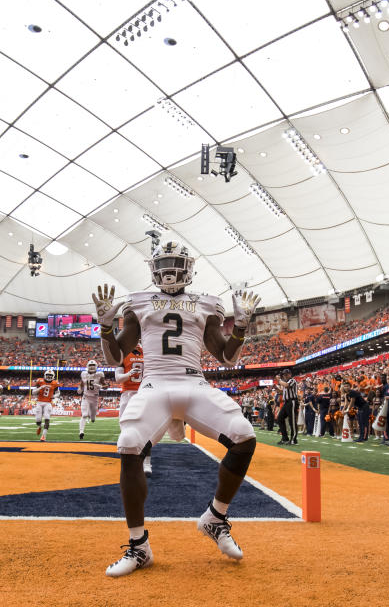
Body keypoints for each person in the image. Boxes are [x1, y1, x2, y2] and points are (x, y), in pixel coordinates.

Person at [93, 240, 259, 577]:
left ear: (189, 267)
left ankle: (215, 518)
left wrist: (240, 329)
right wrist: (106, 328)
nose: (170, 268)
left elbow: (227, 357)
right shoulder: (137, 303)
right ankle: (139, 547)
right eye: (164, 261)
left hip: (194, 382)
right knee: (128, 443)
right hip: (154, 383)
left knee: (244, 436)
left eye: (176, 261)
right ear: (153, 268)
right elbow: (114, 357)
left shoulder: (206, 304)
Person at [115, 345, 154, 474]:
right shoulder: (123, 355)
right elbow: (118, 378)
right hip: (127, 394)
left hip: (143, 393)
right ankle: (128, 462)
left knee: (146, 429)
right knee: (125, 429)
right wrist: (128, 374)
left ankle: (147, 463)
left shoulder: (148, 354)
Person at [78, 360, 106, 440]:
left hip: (94, 398)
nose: (92, 367)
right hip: (85, 397)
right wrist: (80, 388)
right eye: (90, 365)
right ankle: (81, 432)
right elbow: (82, 383)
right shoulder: (84, 374)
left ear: (96, 366)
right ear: (87, 366)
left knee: (93, 418)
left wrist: (100, 386)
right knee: (84, 415)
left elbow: (106, 386)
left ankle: (92, 417)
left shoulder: (99, 374)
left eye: (93, 365)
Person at [32, 369, 59, 442]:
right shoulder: (40, 381)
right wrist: (40, 388)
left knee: (47, 418)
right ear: (45, 375)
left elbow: (58, 393)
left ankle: (43, 436)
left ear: (53, 376)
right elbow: (33, 392)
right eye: (48, 375)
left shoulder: (55, 383)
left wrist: (54, 396)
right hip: (39, 402)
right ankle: (39, 426)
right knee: (38, 420)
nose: (49, 377)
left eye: (51, 376)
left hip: (48, 403)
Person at [276, 369, 299, 445]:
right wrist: (278, 389)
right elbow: (283, 391)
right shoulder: (285, 382)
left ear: (290, 374)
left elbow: (287, 386)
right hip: (286, 402)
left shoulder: (292, 380)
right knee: (280, 418)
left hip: (292, 401)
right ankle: (285, 438)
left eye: (286, 374)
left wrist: (279, 380)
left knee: (292, 421)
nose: (284, 376)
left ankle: (293, 439)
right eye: (283, 375)